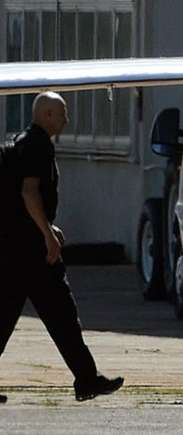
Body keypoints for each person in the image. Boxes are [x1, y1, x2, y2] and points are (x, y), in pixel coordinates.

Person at [0, 92, 124, 403]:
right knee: (62, 314)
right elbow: (29, 193)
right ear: (47, 115)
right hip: (31, 250)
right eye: (62, 114)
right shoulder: (38, 145)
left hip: (14, 246)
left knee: (11, 315)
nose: (67, 120)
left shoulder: (22, 141)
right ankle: (86, 379)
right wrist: (47, 234)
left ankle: (87, 378)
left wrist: (46, 227)